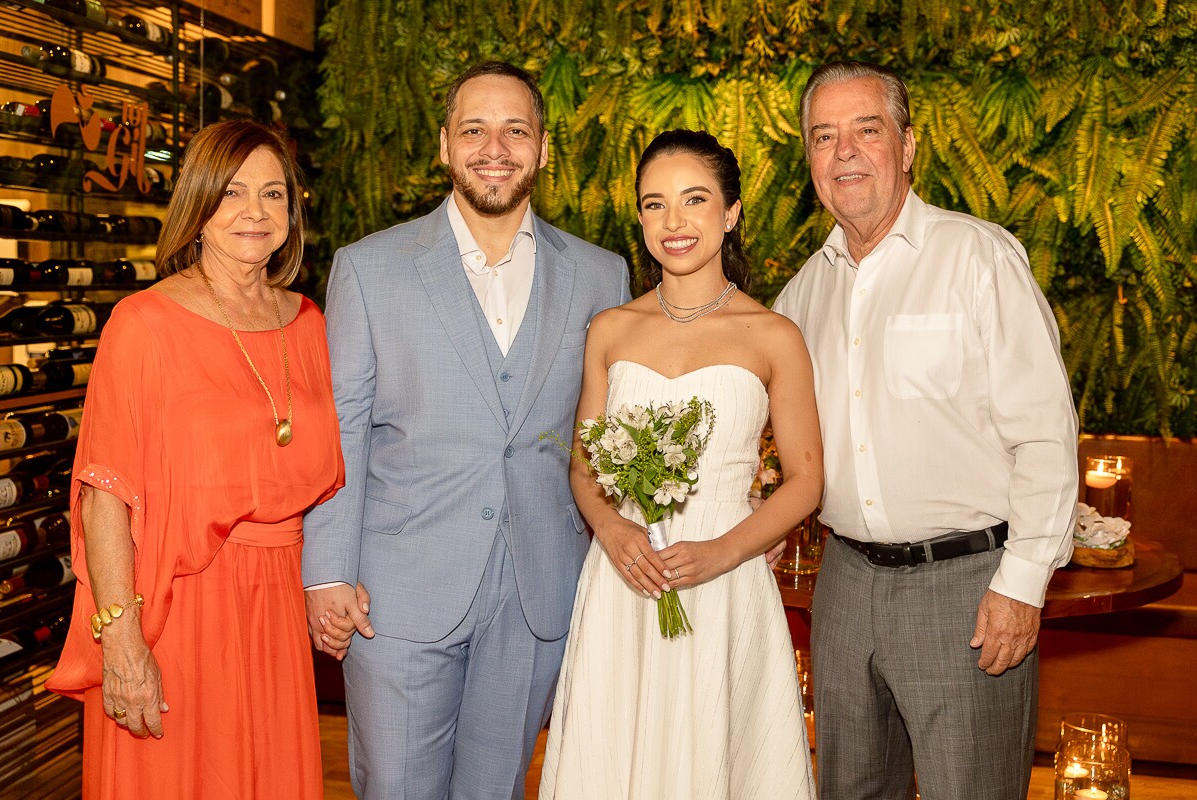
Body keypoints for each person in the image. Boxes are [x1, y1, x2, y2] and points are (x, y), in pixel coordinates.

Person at [300, 61, 631, 799]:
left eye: (516, 130)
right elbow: (341, 429)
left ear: (544, 149)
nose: (495, 147)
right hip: (396, 595)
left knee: (498, 788)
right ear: (444, 144)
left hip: (537, 592)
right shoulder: (368, 269)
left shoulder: (602, 277)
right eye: (474, 129)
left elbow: (605, 441)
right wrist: (326, 573)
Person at [772, 61, 1079, 799]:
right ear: (809, 160)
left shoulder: (978, 259)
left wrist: (1024, 583)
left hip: (969, 590)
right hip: (843, 588)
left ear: (907, 147)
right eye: (824, 136)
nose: (844, 151)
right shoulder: (800, 295)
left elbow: (1045, 432)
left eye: (865, 130)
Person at [46, 119, 346, 798]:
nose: (255, 212)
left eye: (274, 195)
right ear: (199, 204)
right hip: (176, 611)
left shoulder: (309, 323)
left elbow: (333, 482)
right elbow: (104, 496)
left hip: (276, 612)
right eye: (234, 192)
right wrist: (122, 646)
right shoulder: (143, 325)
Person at [539, 129, 821, 799]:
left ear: (731, 212)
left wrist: (724, 551)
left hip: (723, 582)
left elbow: (807, 479)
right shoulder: (611, 330)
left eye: (694, 200)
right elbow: (585, 465)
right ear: (639, 220)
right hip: (625, 580)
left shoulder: (773, 335)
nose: (674, 222)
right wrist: (613, 531)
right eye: (654, 204)